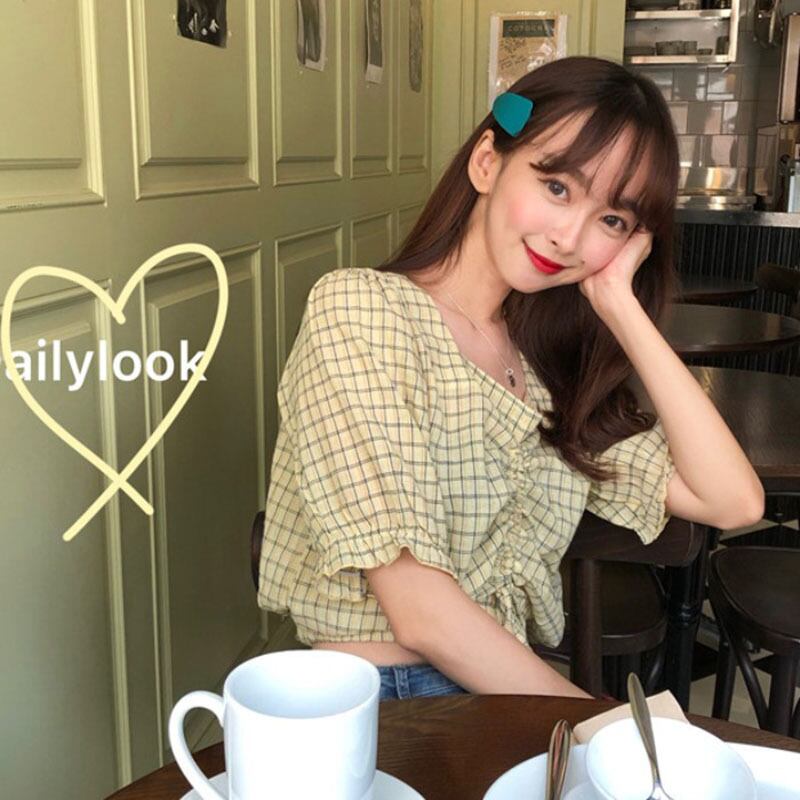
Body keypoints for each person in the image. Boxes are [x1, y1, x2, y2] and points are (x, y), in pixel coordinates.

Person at [257, 56, 765, 702]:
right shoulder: (363, 311)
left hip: (496, 695)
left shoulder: (547, 370)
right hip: (380, 701)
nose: (569, 237)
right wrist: (598, 724)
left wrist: (620, 305)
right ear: (487, 163)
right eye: (557, 187)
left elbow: (734, 502)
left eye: (612, 220)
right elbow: (419, 612)